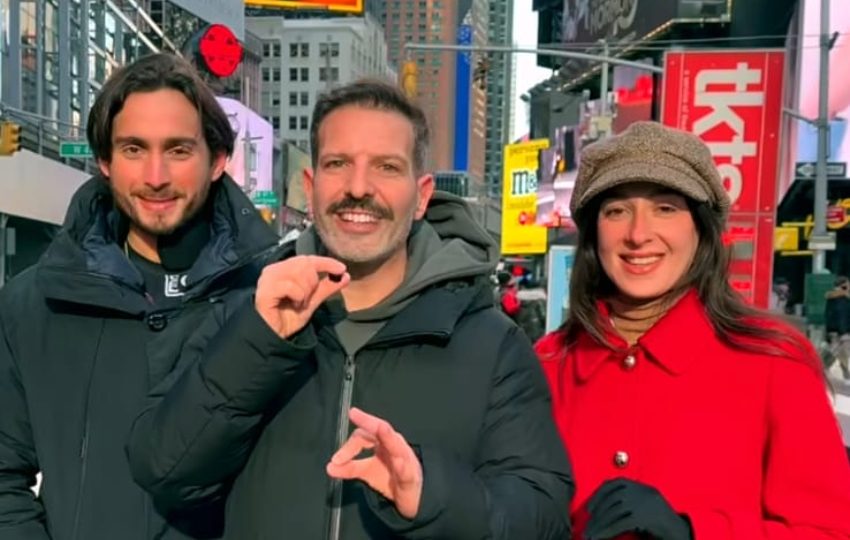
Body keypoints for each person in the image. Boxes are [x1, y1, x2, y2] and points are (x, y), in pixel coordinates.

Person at [126, 80, 573, 539]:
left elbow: (542, 518)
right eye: (338, 164)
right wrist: (257, 346)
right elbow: (163, 472)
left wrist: (431, 493)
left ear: (421, 196)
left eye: (386, 167)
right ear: (310, 185)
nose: (359, 188)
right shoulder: (244, 312)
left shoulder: (492, 345)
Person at [0, 53, 280, 539]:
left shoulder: (270, 307)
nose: (155, 176)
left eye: (177, 150)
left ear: (217, 161)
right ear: (105, 162)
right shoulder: (33, 305)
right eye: (134, 149)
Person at [535, 121, 850, 539]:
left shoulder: (775, 363)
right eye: (616, 211)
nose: (638, 234)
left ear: (701, 230)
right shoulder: (546, 363)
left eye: (665, 208)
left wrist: (693, 532)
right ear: (594, 233)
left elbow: (827, 528)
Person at [825, 276, 850, 380]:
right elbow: (842, 316)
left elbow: (829, 315)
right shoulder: (842, 299)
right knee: (839, 352)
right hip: (841, 331)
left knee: (837, 352)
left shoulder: (832, 298)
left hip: (833, 330)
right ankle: (846, 376)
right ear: (843, 286)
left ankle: (845, 375)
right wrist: (843, 332)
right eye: (848, 284)